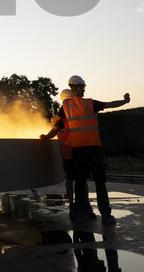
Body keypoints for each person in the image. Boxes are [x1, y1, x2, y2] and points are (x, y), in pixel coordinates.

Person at [42, 74, 130, 224]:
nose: (84, 90)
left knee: (81, 183)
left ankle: (83, 213)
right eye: (82, 87)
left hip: (78, 151)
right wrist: (125, 101)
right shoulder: (90, 104)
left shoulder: (65, 107)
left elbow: (57, 125)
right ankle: (106, 215)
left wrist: (46, 137)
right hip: (93, 149)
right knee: (99, 183)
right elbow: (110, 104)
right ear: (76, 88)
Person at [42, 88, 76, 201]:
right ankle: (82, 202)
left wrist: (45, 137)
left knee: (70, 178)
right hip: (80, 149)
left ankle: (71, 200)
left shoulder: (62, 117)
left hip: (68, 152)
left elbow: (54, 131)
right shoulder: (77, 113)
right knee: (81, 179)